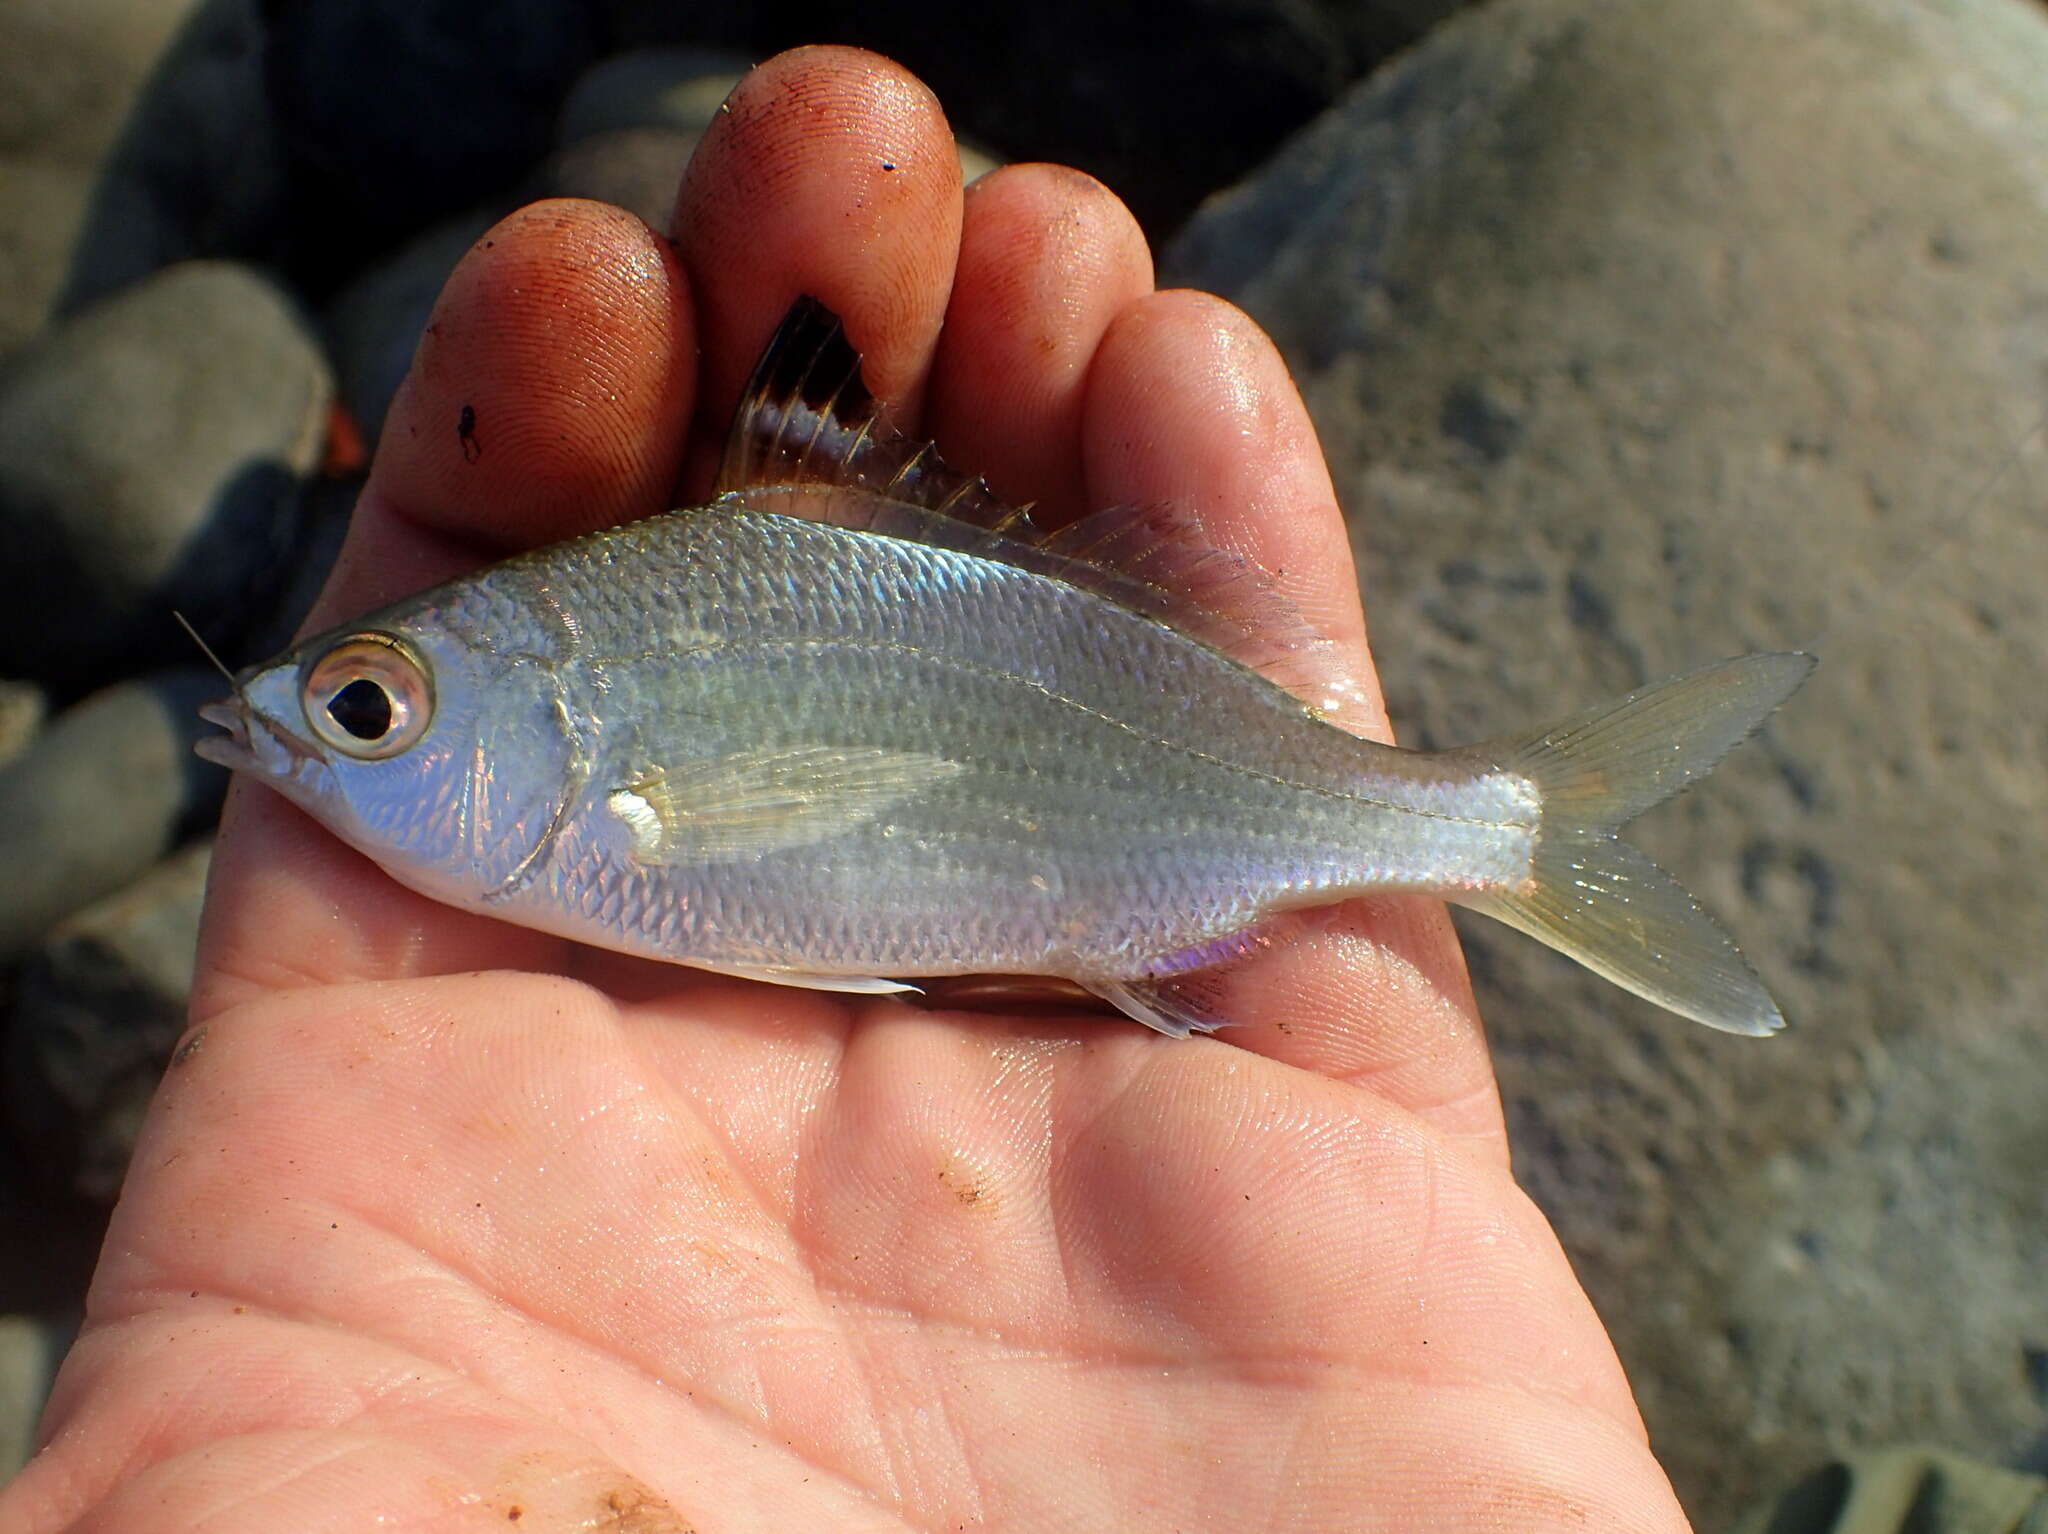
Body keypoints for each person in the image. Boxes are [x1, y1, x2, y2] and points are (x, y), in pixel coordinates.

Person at [0, 45, 1757, 1532]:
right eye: (361, 707)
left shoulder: (612, 792)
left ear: (553, 724)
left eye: (370, 710)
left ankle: (1509, 824)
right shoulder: (566, 762)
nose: (314, 743)